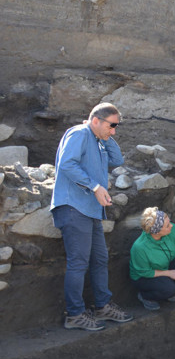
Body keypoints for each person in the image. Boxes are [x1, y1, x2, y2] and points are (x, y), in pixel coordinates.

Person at [50, 102, 134, 331]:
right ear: (95, 119)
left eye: (116, 126)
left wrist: (107, 135)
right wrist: (95, 187)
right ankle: (75, 315)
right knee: (78, 263)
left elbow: (117, 160)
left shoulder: (98, 140)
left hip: (90, 210)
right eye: (112, 125)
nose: (114, 130)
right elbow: (67, 164)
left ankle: (102, 306)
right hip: (73, 207)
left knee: (99, 259)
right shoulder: (80, 133)